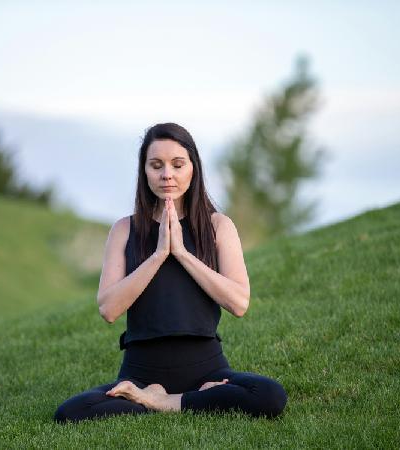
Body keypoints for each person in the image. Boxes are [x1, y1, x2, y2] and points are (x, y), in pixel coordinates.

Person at [53, 122, 287, 423]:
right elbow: (108, 309)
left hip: (208, 369)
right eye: (156, 165)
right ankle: (180, 398)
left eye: (178, 164)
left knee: (269, 395)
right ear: (144, 171)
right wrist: (160, 253)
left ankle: (163, 402)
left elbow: (239, 303)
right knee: (70, 412)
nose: (167, 174)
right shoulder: (124, 229)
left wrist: (182, 253)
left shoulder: (218, 227)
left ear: (193, 168)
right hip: (140, 372)